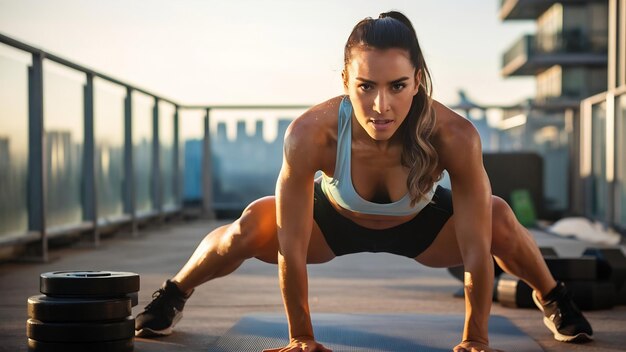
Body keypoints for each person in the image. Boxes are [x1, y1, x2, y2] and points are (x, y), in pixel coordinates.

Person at [135, 11, 593, 352]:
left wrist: (475, 339)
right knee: (253, 219)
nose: (380, 106)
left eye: (396, 86)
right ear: (345, 81)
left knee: (497, 215)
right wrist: (301, 337)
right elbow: (292, 247)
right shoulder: (310, 133)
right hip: (332, 225)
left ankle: (553, 299)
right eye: (365, 86)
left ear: (417, 81)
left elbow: (476, 250)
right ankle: (174, 294)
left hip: (424, 231)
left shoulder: (455, 135)